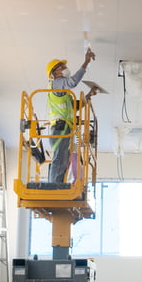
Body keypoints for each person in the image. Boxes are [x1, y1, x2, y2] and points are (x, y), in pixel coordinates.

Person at [46, 47, 95, 185]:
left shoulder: (64, 93)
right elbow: (72, 82)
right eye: (61, 67)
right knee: (60, 159)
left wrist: (89, 95)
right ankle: (54, 187)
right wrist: (86, 63)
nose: (65, 68)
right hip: (60, 129)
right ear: (54, 72)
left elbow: (75, 107)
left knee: (63, 160)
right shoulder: (57, 84)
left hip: (65, 129)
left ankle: (57, 185)